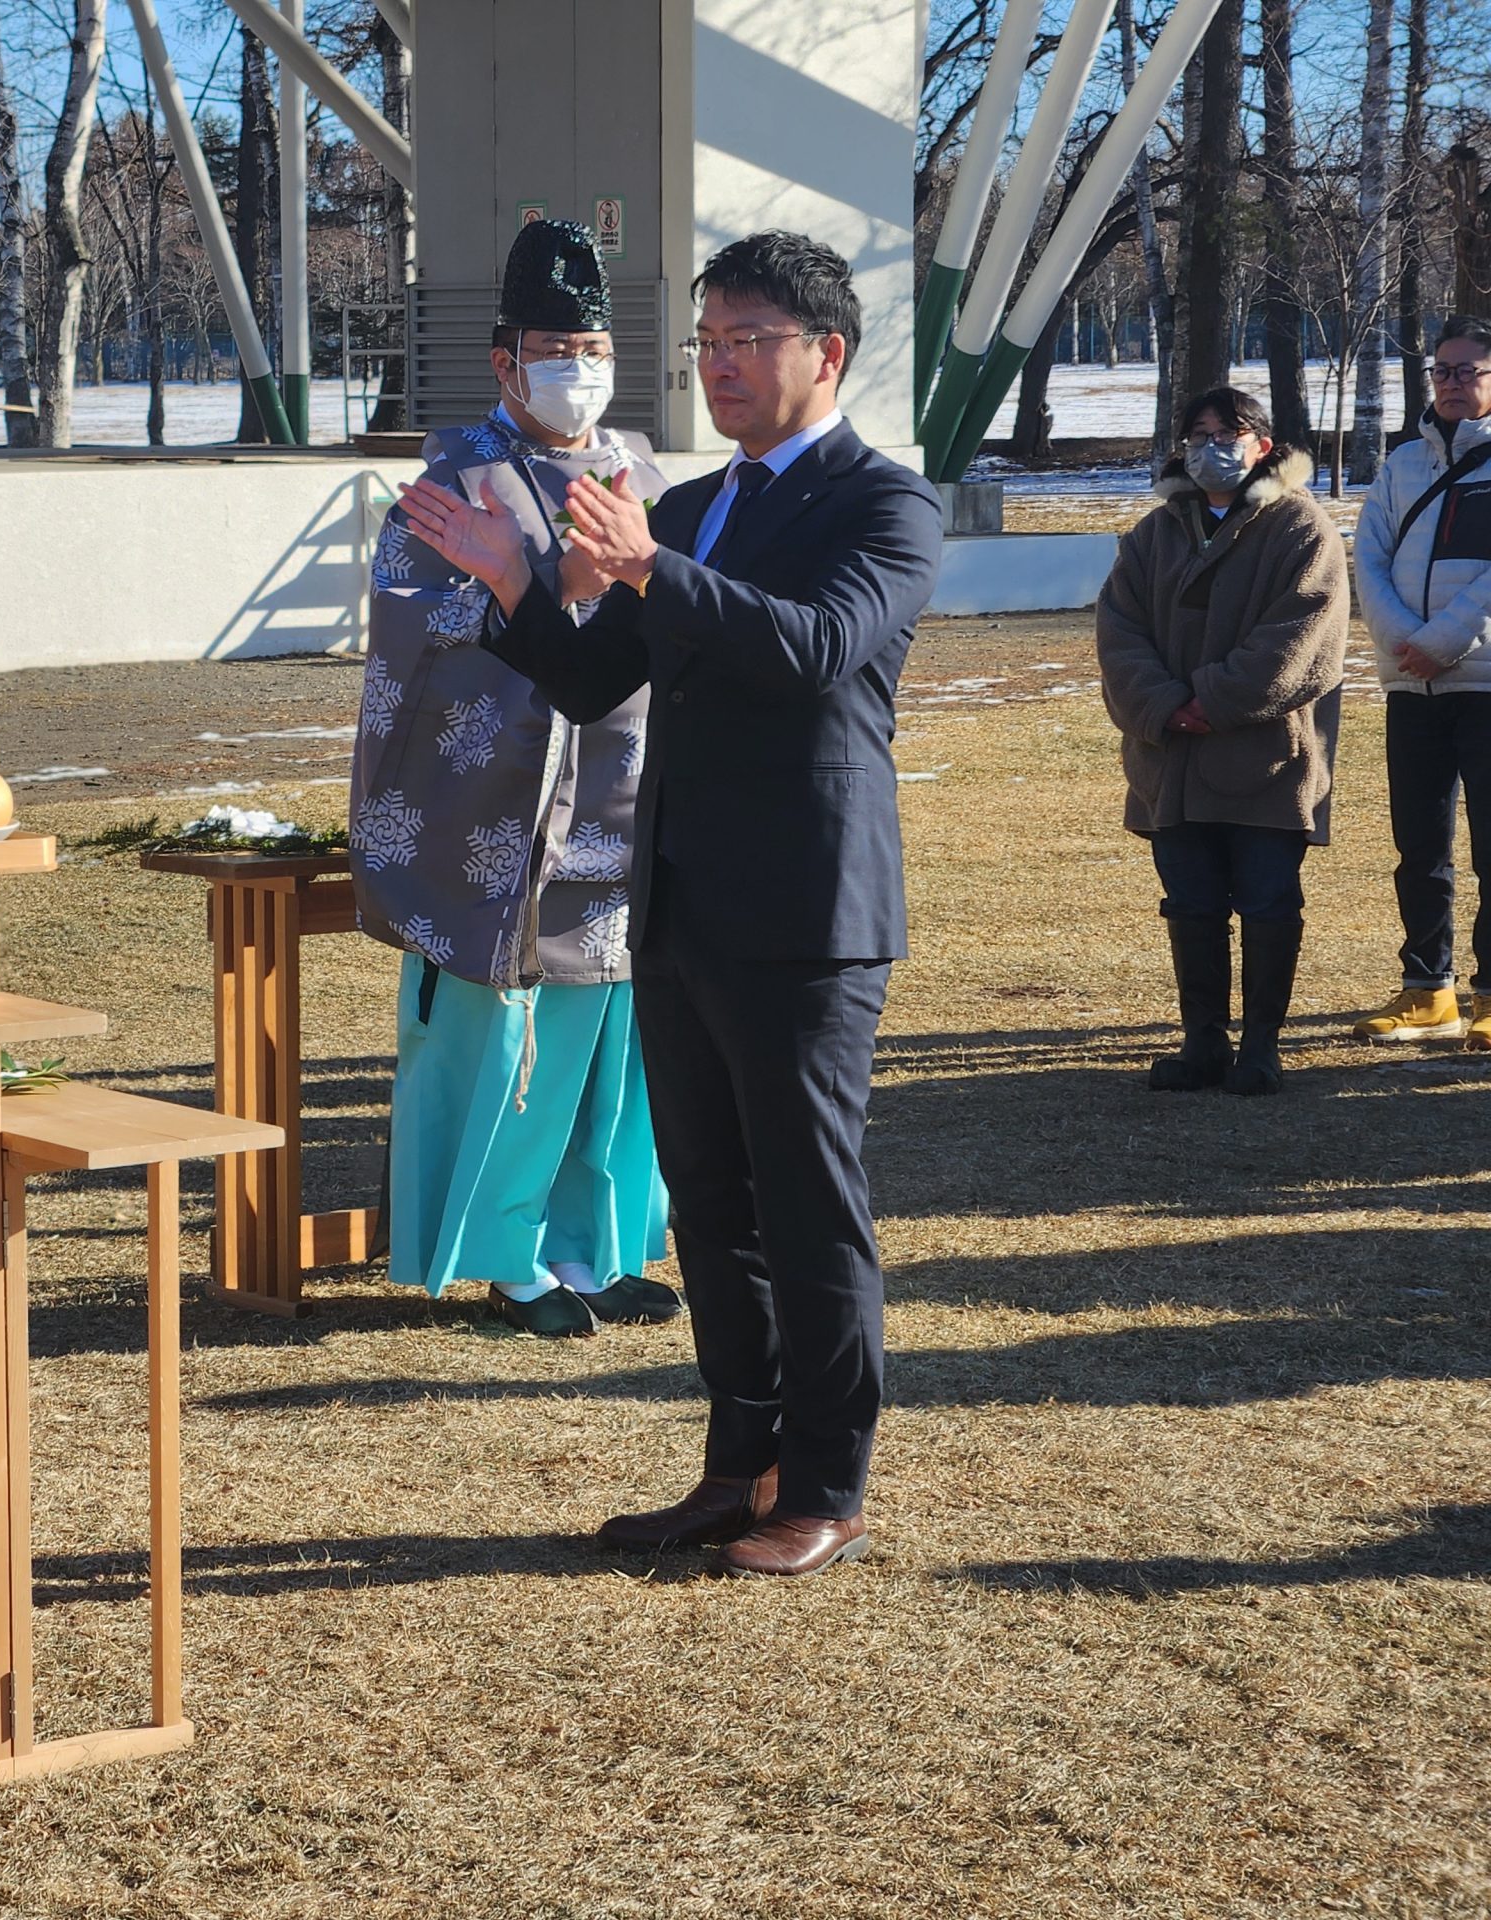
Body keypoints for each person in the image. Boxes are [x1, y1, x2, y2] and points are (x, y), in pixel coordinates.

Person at [395, 230, 942, 1576]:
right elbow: (591, 684)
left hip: (809, 913)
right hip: (681, 905)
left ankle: (826, 1485)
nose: (723, 365)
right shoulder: (694, 507)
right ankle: (736, 1466)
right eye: (708, 342)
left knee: (808, 1207)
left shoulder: (886, 504)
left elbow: (813, 651)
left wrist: (647, 569)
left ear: (830, 352)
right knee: (711, 1203)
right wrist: (517, 585)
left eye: (749, 340)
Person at [351, 218, 677, 1339]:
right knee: (507, 1042)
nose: (577, 372)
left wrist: (616, 583)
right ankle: (503, 1249)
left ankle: (598, 1244)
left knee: (617, 1039)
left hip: (626, 800)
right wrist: (532, 590)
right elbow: (409, 634)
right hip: (502, 811)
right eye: (554, 349)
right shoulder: (457, 480)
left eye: (593, 349)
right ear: (503, 361)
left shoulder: (640, 466)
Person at [1094, 389, 1348, 1096]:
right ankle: (1202, 1041)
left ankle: (1262, 1046)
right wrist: (1166, 706)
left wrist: (1214, 698)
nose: (1213, 445)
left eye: (1229, 432)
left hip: (1266, 758)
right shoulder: (1153, 535)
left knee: (1269, 901)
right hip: (1169, 761)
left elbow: (1304, 637)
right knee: (1191, 903)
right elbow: (1119, 633)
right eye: (1198, 433)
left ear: (1262, 445)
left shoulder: (1301, 527)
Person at [1349, 315, 1491, 1050]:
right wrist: (1403, 644)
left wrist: (1439, 641)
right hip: (1415, 687)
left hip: (1483, 681)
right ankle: (1427, 989)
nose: (1452, 384)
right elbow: (1367, 558)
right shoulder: (1402, 462)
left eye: (1468, 371)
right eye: (1442, 370)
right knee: (1420, 844)